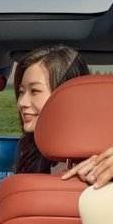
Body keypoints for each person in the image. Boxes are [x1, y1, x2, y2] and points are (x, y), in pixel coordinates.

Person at [13, 44, 90, 173]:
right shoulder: (30, 152)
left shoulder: (96, 171)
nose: (22, 102)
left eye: (34, 91)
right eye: (21, 91)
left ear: (66, 95)